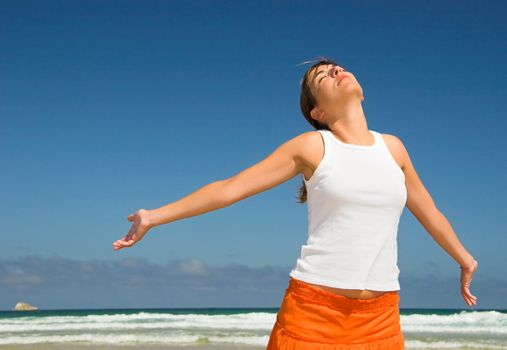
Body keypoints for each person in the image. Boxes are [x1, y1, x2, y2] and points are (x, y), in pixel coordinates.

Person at [112, 57, 478, 349]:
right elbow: (231, 188)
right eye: (324, 77)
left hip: (381, 319)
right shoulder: (313, 147)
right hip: (312, 316)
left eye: (338, 67)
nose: (337, 71)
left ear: (362, 92)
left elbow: (428, 210)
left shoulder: (394, 148)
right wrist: (153, 216)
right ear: (317, 112)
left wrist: (464, 259)